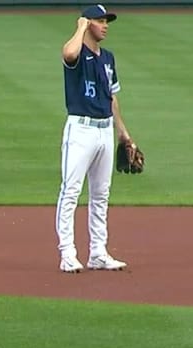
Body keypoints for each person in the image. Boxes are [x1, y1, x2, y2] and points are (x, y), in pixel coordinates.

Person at [55, 4, 134, 273]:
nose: (106, 25)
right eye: (100, 21)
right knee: (71, 192)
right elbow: (68, 53)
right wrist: (79, 28)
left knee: (101, 195)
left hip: (104, 130)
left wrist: (123, 133)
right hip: (80, 130)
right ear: (88, 23)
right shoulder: (77, 54)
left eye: (106, 21)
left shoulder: (108, 58)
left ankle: (98, 252)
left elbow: (112, 98)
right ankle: (67, 253)